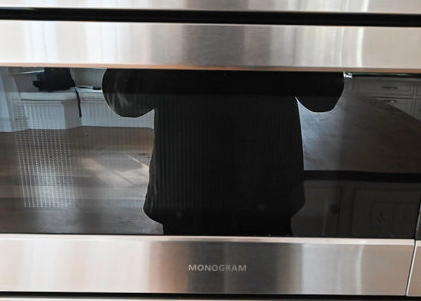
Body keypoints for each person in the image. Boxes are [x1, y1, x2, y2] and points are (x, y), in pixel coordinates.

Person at [102, 68, 344, 236]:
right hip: (199, 200)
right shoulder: (167, 19)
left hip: (252, 199)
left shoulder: (284, 17)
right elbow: (122, 97)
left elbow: (325, 95)